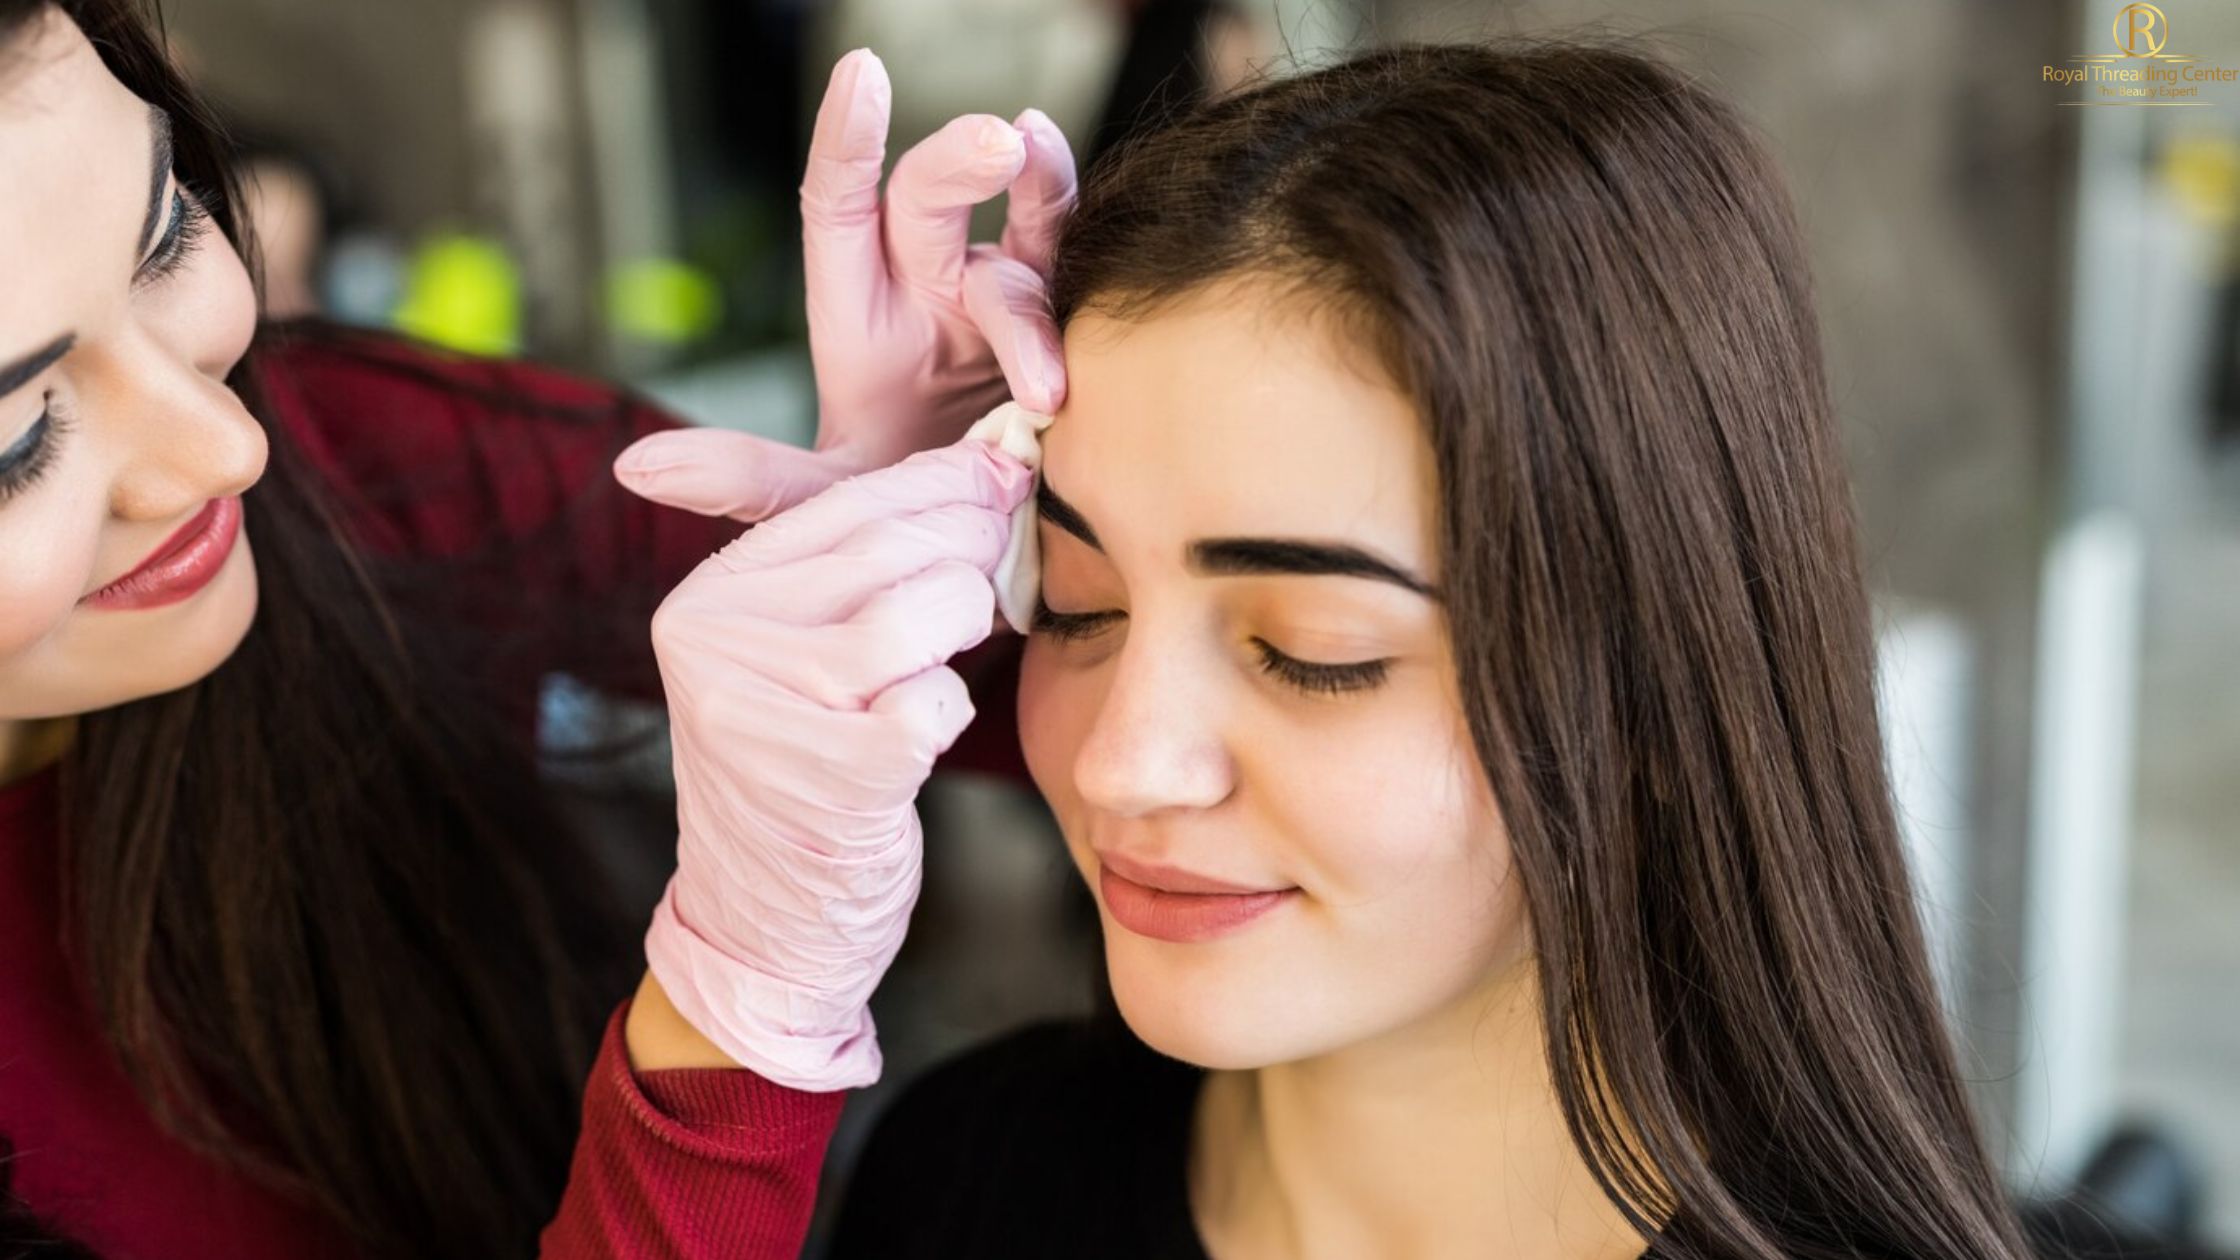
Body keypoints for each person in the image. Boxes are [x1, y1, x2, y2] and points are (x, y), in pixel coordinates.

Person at [746, 39, 2043, 1260]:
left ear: (1658, 688)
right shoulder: (968, 1176)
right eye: (1079, 600)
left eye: (1314, 652)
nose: (1121, 767)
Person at [0, 0, 1071, 1256]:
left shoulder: (358, 468)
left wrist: (983, 543)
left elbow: (1153, 746)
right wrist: (732, 1033)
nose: (229, 446)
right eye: (17, 439)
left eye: (165, 234)